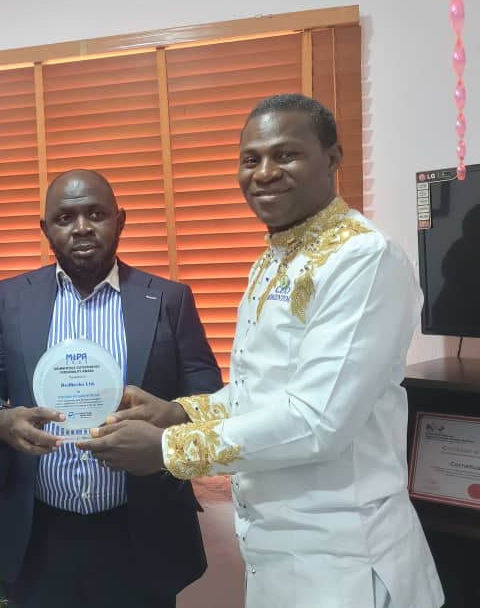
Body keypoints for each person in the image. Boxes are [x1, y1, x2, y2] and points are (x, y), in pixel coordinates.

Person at [78, 94, 445, 608]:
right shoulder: (272, 260)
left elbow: (317, 420)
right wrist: (179, 412)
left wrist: (168, 449)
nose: (265, 172)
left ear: (333, 158)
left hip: (343, 558)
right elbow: (261, 393)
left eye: (285, 154)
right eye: (251, 159)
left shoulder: (364, 258)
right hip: (274, 551)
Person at [0, 169, 223, 608]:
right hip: (38, 535)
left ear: (120, 221)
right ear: (46, 229)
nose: (81, 227)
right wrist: (1, 421)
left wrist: (168, 420)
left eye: (96, 214)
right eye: (65, 218)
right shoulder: (10, 298)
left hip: (141, 533)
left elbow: (209, 396)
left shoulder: (169, 299)